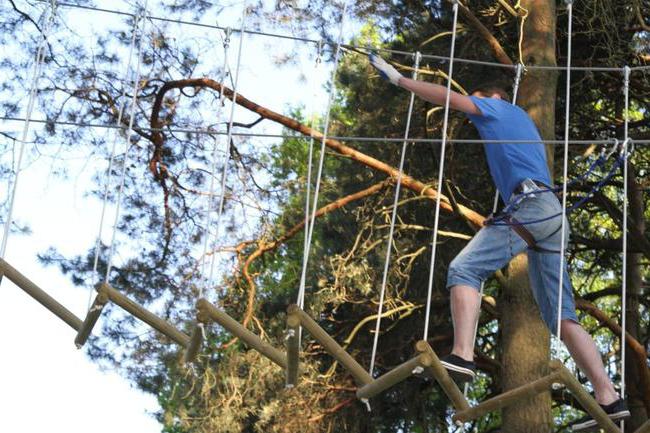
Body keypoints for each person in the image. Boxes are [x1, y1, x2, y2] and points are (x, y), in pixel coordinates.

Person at [368, 54, 630, 430]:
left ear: (492, 97)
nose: (474, 118)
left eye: (477, 104)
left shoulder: (493, 107)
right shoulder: (523, 124)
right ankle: (609, 398)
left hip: (534, 208)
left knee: (464, 268)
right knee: (562, 317)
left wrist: (400, 80)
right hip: (549, 214)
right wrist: (507, 214)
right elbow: (525, 174)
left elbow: (446, 96)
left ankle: (462, 355)